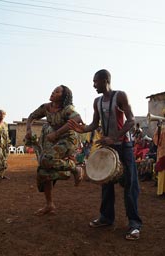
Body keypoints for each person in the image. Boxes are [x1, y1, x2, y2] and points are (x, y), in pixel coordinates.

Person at [68, 69, 142, 240]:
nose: (93, 85)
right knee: (106, 182)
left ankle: (134, 225)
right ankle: (106, 218)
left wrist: (114, 137)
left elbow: (130, 120)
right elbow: (94, 123)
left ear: (105, 80)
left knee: (130, 186)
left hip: (125, 146)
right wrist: (82, 129)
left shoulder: (120, 96)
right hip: (108, 146)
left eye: (96, 81)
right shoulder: (97, 101)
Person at [25, 85, 84, 216]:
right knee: (43, 170)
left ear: (63, 96)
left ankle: (75, 168)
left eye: (57, 91)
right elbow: (31, 116)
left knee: (47, 160)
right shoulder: (46, 107)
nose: (53, 92)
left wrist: (57, 133)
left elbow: (77, 118)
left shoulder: (67, 109)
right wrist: (28, 129)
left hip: (69, 139)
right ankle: (49, 204)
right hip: (55, 140)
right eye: (54, 90)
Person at [0, 109, 10, 181]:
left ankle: (2, 175)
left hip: (4, 146)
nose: (2, 115)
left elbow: (7, 135)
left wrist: (8, 143)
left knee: (4, 160)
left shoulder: (5, 124)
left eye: (3, 114)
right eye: (1, 114)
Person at [153, 110, 165, 197]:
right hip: (162, 153)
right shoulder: (160, 127)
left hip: (162, 152)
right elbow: (156, 139)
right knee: (162, 172)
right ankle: (161, 192)